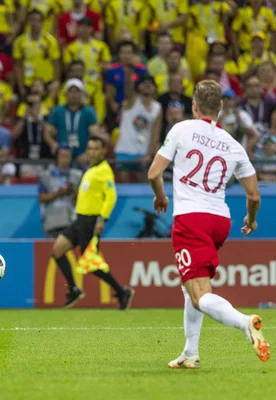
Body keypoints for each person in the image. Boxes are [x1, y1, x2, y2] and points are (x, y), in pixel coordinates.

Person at [147, 80, 269, 368]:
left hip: (191, 218)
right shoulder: (233, 144)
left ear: (194, 105)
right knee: (191, 284)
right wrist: (251, 220)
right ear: (221, 109)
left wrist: (161, 197)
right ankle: (190, 352)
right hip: (220, 220)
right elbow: (253, 194)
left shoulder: (181, 129)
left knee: (200, 293)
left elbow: (154, 173)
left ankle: (245, 323)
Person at [49, 137, 134, 309]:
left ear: (103, 151)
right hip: (79, 220)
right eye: (90, 148)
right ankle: (74, 289)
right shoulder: (91, 170)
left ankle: (121, 290)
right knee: (57, 250)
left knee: (89, 262)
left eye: (96, 149)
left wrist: (102, 219)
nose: (92, 152)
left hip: (90, 221)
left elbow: (111, 197)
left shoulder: (104, 171)